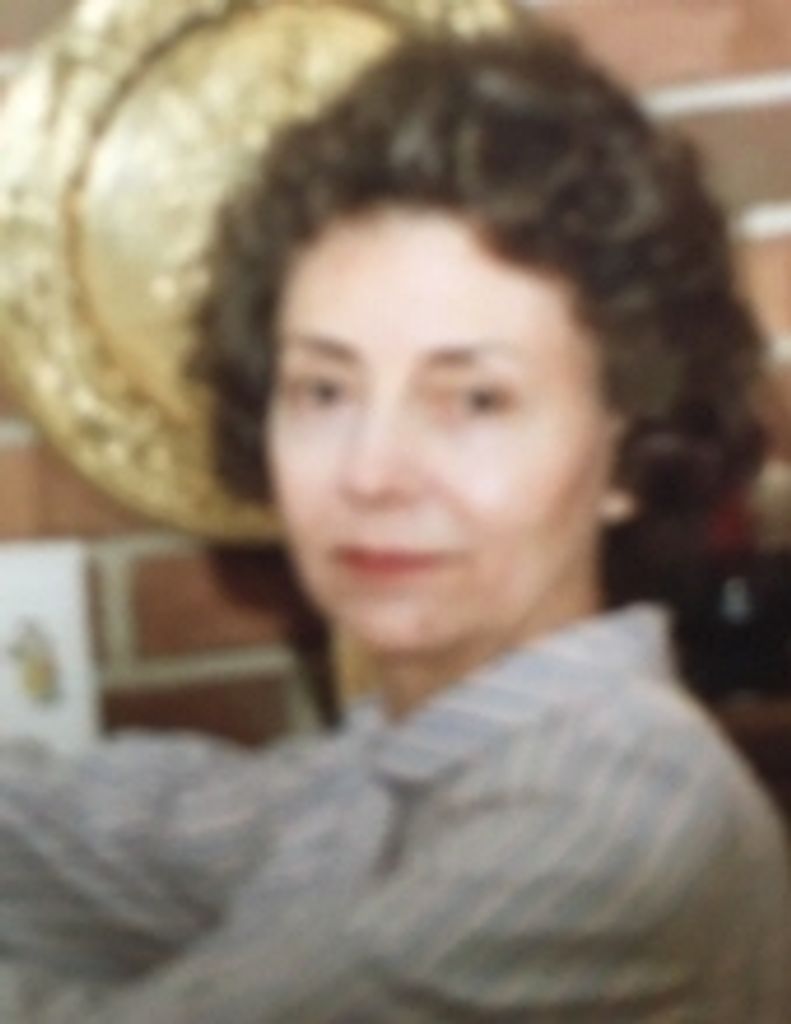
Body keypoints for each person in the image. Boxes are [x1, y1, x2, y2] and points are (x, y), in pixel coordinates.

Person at [1, 18, 789, 1023]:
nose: (369, 474)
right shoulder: (418, 755)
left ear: (632, 450)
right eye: (323, 390)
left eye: (474, 400)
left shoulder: (613, 824)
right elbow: (117, 833)